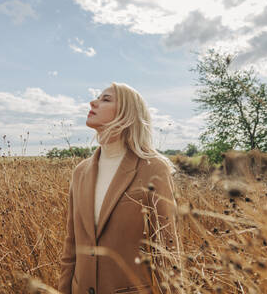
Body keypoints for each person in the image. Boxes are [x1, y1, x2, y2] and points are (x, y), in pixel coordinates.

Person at [58, 82, 180, 294]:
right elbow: (71, 246)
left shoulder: (153, 169)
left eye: (106, 99)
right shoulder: (80, 172)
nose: (93, 102)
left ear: (127, 113)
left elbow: (167, 250)